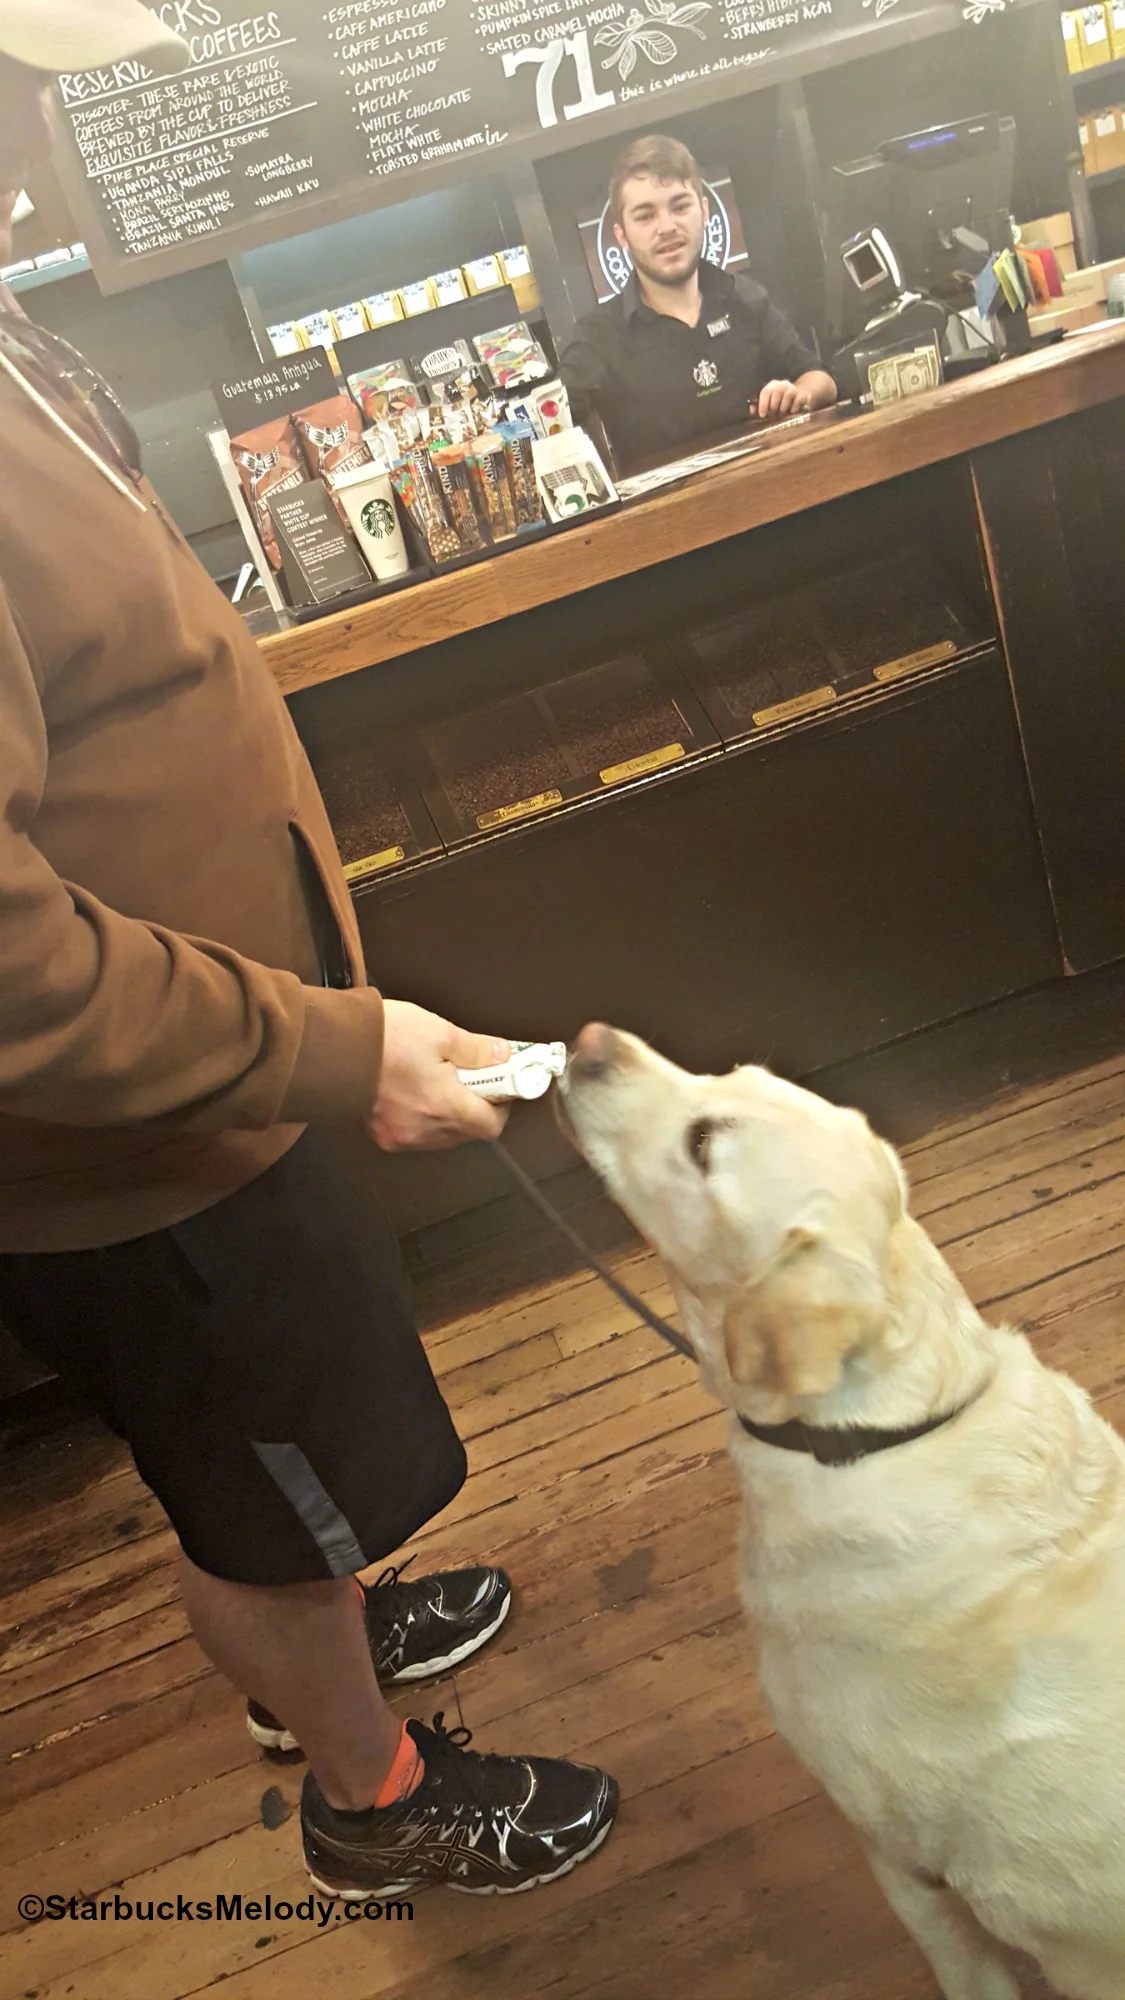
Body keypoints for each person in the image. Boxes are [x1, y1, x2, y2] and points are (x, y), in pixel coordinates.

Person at [0, 0, 617, 1901]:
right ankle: (369, 1792)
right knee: (255, 1495)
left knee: (294, 1460)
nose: (39, 133)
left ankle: (324, 1611)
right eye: (20, 88)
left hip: (220, 1085)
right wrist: (335, 1051)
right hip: (144, 1154)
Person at [561, 134, 837, 467]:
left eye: (680, 207)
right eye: (645, 216)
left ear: (704, 211)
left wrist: (799, 395)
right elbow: (552, 427)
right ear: (621, 235)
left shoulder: (744, 299)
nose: (667, 227)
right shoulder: (598, 336)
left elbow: (820, 378)